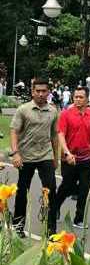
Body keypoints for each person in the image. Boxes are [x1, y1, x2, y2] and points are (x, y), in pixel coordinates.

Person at [9, 78, 59, 237]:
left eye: (44, 91)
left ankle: (51, 230)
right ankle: (18, 225)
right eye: (37, 91)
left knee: (51, 192)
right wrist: (15, 153)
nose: (40, 94)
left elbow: (54, 136)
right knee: (22, 191)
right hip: (26, 156)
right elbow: (14, 131)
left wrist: (56, 158)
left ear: (48, 92)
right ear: (32, 92)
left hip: (45, 155)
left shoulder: (53, 111)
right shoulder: (23, 110)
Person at [51, 86, 90, 230]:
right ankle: (55, 208)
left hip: (86, 158)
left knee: (85, 189)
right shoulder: (66, 114)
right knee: (66, 187)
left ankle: (79, 218)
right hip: (70, 158)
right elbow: (60, 135)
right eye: (76, 97)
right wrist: (66, 153)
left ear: (87, 99)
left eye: (81, 97)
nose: (78, 100)